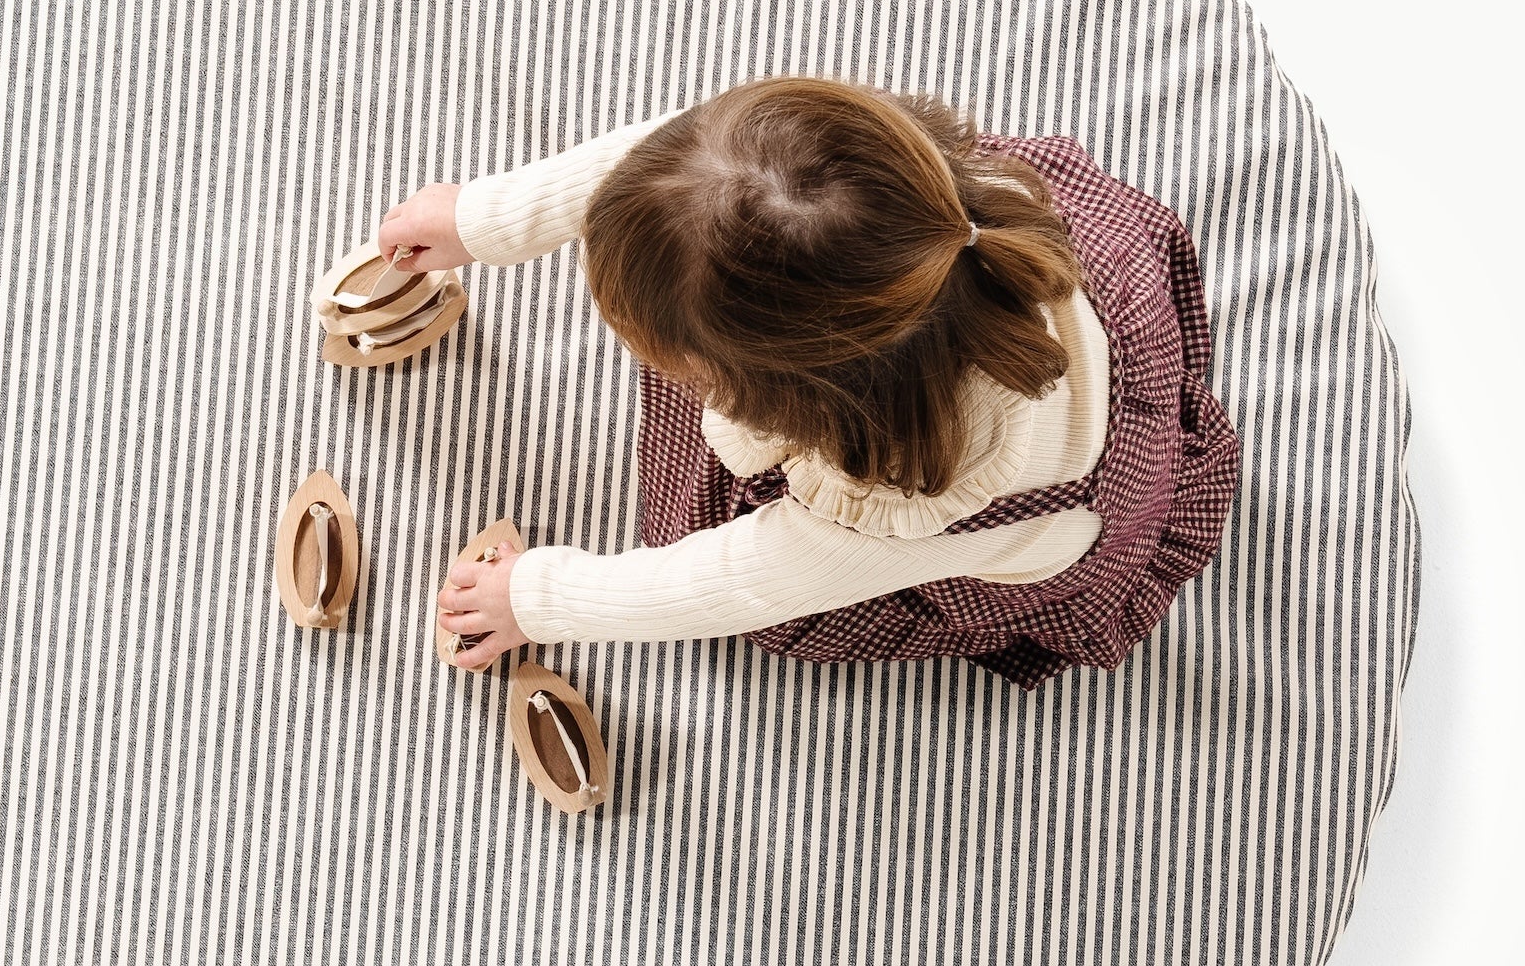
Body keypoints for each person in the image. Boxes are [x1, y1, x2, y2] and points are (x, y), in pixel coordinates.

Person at [392, 75, 1240, 691]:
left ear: (793, 406)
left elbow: (734, 579)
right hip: (1078, 310)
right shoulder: (852, 186)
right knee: (696, 212)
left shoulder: (899, 509)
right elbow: (677, 166)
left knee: (769, 603)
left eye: (677, 365)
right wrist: (484, 219)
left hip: (1069, 513)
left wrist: (537, 597)